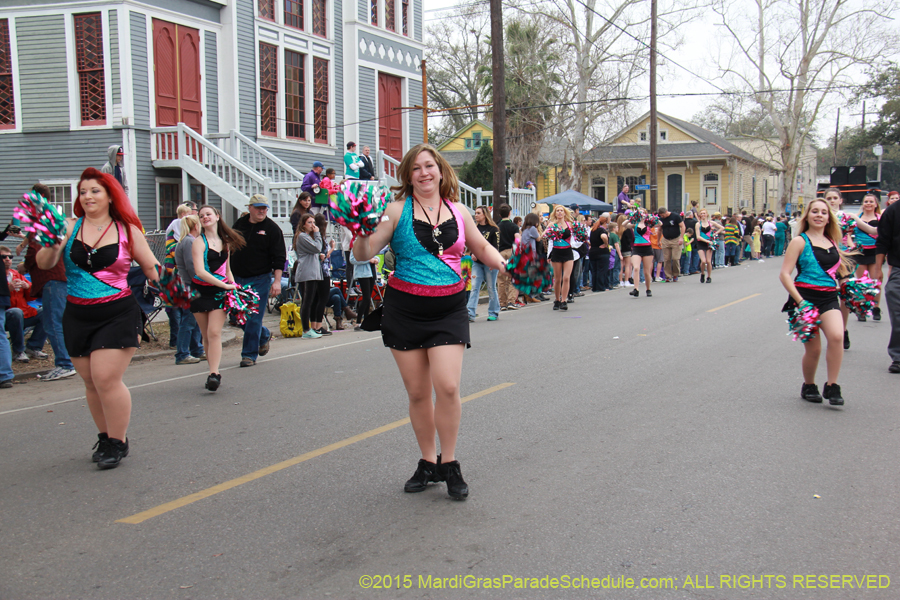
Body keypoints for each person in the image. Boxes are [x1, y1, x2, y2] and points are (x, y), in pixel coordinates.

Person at [352, 143, 505, 500]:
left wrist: (499, 260)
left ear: (440, 170)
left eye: (429, 166)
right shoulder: (395, 210)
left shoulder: (459, 210)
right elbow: (364, 253)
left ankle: (449, 462)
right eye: (416, 168)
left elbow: (480, 246)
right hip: (404, 309)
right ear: (408, 175)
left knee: (448, 386)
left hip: (449, 308)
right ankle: (427, 461)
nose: (423, 173)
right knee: (419, 392)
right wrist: (359, 229)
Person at [36, 167, 159, 468]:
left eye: (95, 191)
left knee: (106, 377)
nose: (88, 196)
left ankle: (118, 442)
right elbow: (43, 263)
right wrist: (53, 244)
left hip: (118, 312)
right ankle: (105, 436)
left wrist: (178, 292)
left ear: (109, 195)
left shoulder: (127, 230)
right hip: (77, 314)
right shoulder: (67, 227)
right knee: (91, 381)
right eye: (83, 191)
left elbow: (151, 267)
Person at [779, 198, 855, 405]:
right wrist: (801, 302)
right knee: (814, 349)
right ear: (808, 216)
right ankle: (809, 385)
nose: (819, 215)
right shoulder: (799, 241)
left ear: (829, 217)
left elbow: (838, 270)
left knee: (837, 336)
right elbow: (785, 274)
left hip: (829, 297)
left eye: (823, 212)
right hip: (804, 300)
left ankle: (832, 386)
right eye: (815, 211)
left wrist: (848, 284)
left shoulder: (832, 242)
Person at [23, 183, 77, 381]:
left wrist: (25, 265)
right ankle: (66, 360)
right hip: (59, 277)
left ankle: (65, 363)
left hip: (52, 278)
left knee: (54, 323)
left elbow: (39, 250)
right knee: (53, 321)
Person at [191, 206, 244, 391]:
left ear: (217, 217)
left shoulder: (225, 242)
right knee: (205, 335)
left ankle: (214, 374)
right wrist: (225, 285)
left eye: (208, 214)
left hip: (219, 293)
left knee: (214, 332)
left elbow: (227, 270)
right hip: (200, 292)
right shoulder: (198, 242)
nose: (205, 217)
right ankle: (211, 369)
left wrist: (234, 288)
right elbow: (200, 271)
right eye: (201, 215)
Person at [230, 194, 285, 367]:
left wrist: (276, 281)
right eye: (258, 207)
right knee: (236, 315)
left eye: (265, 208)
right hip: (237, 277)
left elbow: (279, 258)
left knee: (253, 316)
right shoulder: (239, 225)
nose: (262, 211)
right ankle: (263, 335)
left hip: (260, 278)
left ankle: (248, 355)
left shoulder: (272, 229)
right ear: (250, 208)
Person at [2, 247, 48, 362]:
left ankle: (33, 347)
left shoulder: (16, 274)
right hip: (5, 316)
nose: (8, 259)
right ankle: (18, 351)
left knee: (47, 311)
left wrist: (27, 287)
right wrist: (7, 289)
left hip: (23, 313)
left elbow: (32, 295)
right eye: (3, 257)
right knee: (16, 312)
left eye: (10, 257)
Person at [173, 214, 206, 365]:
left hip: (189, 284)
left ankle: (197, 349)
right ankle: (182, 353)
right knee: (188, 320)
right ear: (195, 226)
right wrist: (200, 280)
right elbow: (191, 264)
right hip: (190, 285)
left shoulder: (186, 241)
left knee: (195, 319)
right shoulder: (189, 242)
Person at [872, 196, 900, 373]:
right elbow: (883, 241)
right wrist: (878, 268)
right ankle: (898, 356)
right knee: (897, 314)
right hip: (898, 269)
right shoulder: (893, 211)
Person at [293, 214, 325, 339]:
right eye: (310, 222)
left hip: (312, 271)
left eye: (313, 222)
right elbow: (317, 247)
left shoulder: (307, 237)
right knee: (307, 301)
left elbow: (314, 251)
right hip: (307, 272)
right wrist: (317, 234)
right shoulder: (302, 236)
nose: (313, 225)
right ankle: (306, 329)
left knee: (311, 300)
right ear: (303, 224)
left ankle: (309, 328)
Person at [851, 192, 882, 322]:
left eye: (871, 201)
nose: (868, 204)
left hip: (875, 252)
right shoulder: (856, 217)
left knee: (876, 281)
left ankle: (876, 308)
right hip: (860, 252)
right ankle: (862, 309)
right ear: (863, 204)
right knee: (862, 282)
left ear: (876, 204)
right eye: (866, 201)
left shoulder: (881, 218)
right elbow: (849, 234)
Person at [467, 206, 501, 321]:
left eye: (478, 213)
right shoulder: (474, 228)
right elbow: (471, 243)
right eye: (475, 213)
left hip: (489, 262)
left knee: (491, 287)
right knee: (474, 287)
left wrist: (492, 261)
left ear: (485, 214)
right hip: (477, 263)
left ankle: (493, 311)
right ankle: (470, 312)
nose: (476, 215)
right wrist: (472, 253)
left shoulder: (493, 229)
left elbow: (495, 247)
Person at [542, 205, 576, 310]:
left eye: (561, 210)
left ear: (565, 213)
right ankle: (557, 299)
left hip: (568, 252)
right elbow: (546, 237)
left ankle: (564, 300)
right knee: (557, 279)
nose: (560, 212)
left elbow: (577, 237)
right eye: (558, 211)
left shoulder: (570, 224)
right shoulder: (552, 224)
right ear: (555, 213)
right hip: (556, 252)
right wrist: (549, 255)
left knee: (566, 277)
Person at [497, 204, 520, 311]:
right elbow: (517, 239)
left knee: (501, 279)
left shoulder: (497, 226)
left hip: (500, 252)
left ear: (500, 214)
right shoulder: (514, 226)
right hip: (511, 252)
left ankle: (502, 303)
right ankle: (511, 301)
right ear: (510, 213)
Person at [349, 249, 378, 331]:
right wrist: (367, 260)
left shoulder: (370, 245)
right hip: (362, 274)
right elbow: (352, 260)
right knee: (366, 297)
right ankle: (358, 322)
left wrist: (376, 260)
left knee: (368, 298)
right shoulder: (356, 245)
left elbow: (374, 255)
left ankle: (366, 321)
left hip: (371, 272)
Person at [693, 209, 723, 283]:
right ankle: (702, 273)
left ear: (707, 214)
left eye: (704, 213)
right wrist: (707, 241)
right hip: (701, 243)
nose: (703, 215)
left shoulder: (711, 223)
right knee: (703, 261)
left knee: (709, 261)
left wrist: (715, 234)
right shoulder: (698, 224)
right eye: (701, 213)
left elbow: (722, 228)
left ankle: (709, 276)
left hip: (709, 243)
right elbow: (698, 236)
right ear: (700, 215)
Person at [630, 212, 655, 297]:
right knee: (636, 268)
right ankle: (636, 289)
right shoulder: (635, 224)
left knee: (646, 271)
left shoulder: (649, 224)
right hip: (637, 248)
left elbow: (660, 224)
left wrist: (652, 218)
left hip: (647, 248)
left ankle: (648, 289)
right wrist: (631, 217)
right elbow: (624, 224)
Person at [658, 206, 684, 282]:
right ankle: (668, 276)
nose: (662, 217)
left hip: (675, 239)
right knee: (666, 259)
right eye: (660, 215)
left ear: (666, 212)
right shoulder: (661, 219)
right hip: (666, 239)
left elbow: (682, 226)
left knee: (675, 258)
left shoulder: (675, 216)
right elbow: (659, 230)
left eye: (662, 215)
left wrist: (681, 237)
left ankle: (675, 274)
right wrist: (658, 240)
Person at [589, 215, 611, 292]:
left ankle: (594, 286)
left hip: (593, 251)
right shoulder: (602, 230)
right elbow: (604, 236)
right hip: (601, 252)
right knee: (601, 270)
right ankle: (600, 286)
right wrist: (606, 244)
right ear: (606, 221)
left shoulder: (593, 229)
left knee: (594, 270)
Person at [608, 221, 621, 290]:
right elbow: (616, 245)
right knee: (616, 268)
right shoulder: (615, 236)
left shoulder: (609, 235)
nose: (618, 228)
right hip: (615, 252)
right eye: (617, 227)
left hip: (611, 252)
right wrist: (620, 254)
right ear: (613, 228)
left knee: (611, 268)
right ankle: (616, 282)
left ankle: (611, 282)